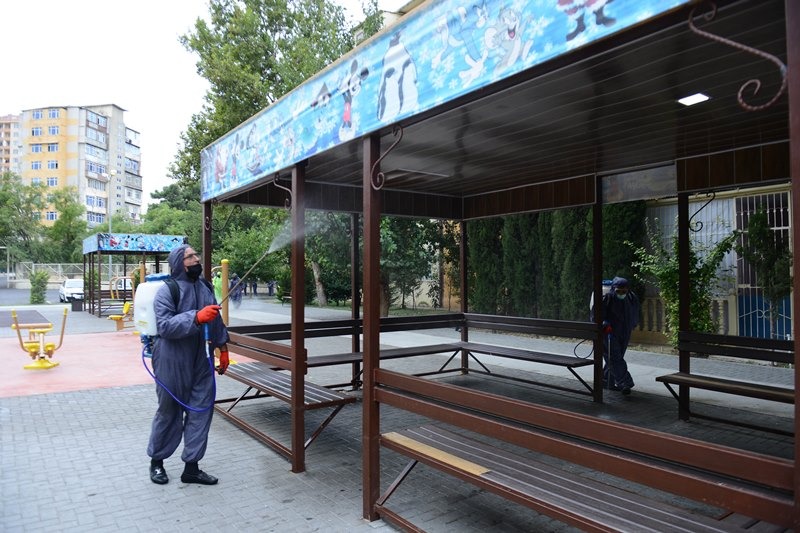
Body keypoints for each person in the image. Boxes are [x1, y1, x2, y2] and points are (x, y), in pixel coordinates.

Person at [147, 244, 230, 486]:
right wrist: (195, 317)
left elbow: (215, 319)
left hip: (202, 359)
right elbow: (164, 326)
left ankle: (191, 468)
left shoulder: (205, 287)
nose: (196, 259)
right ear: (178, 263)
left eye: (196, 255)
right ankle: (157, 461)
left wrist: (223, 348)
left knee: (201, 411)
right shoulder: (167, 291)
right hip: (171, 359)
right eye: (190, 256)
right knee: (169, 412)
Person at [592, 276, 639, 395]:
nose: (621, 294)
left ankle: (606, 380)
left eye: (624, 291)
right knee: (615, 358)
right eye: (619, 291)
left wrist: (633, 324)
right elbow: (596, 315)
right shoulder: (607, 298)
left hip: (625, 332)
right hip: (609, 333)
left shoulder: (631, 297)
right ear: (613, 289)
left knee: (616, 357)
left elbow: (635, 312)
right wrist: (604, 324)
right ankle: (625, 382)